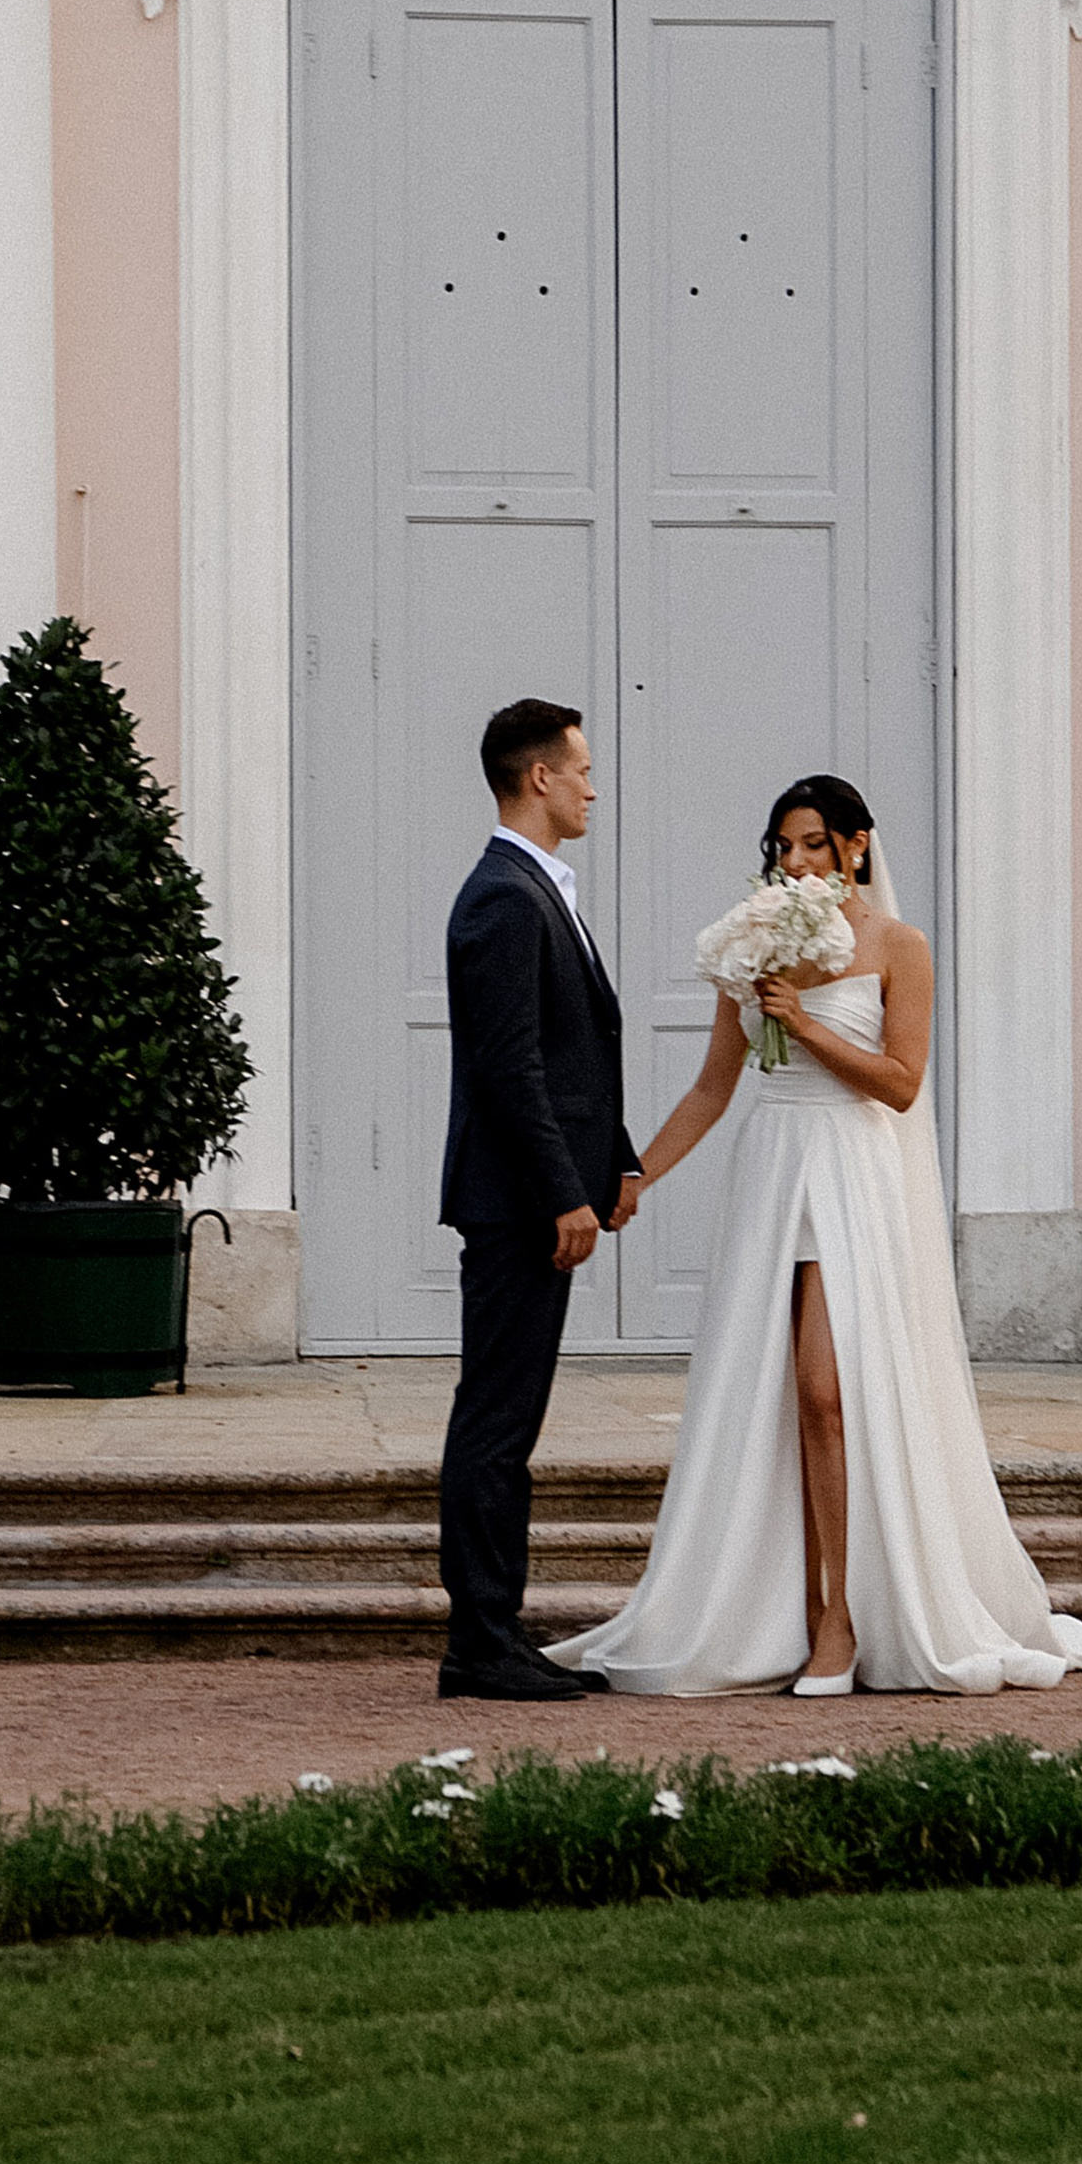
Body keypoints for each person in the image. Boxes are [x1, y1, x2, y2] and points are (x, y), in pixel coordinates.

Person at [547, 775, 1082, 1698]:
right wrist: (633, 1176)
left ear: (856, 846)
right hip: (774, 1170)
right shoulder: (757, 944)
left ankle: (844, 1617)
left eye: (812, 844)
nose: (795, 862)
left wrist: (803, 1023)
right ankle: (797, 1613)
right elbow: (715, 1087)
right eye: (783, 847)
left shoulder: (898, 946)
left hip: (854, 1173)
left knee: (826, 1390)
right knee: (780, 1398)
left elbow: (900, 1083)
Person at [435, 697, 643, 1700]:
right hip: (515, 1202)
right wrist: (565, 1192)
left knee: (510, 1418)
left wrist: (622, 1161)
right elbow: (510, 1068)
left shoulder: (535, 888)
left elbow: (571, 1055)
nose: (592, 786)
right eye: (581, 769)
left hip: (541, 1190)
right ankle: (479, 1643)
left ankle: (499, 1628)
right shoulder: (506, 898)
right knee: (495, 1419)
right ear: (537, 778)